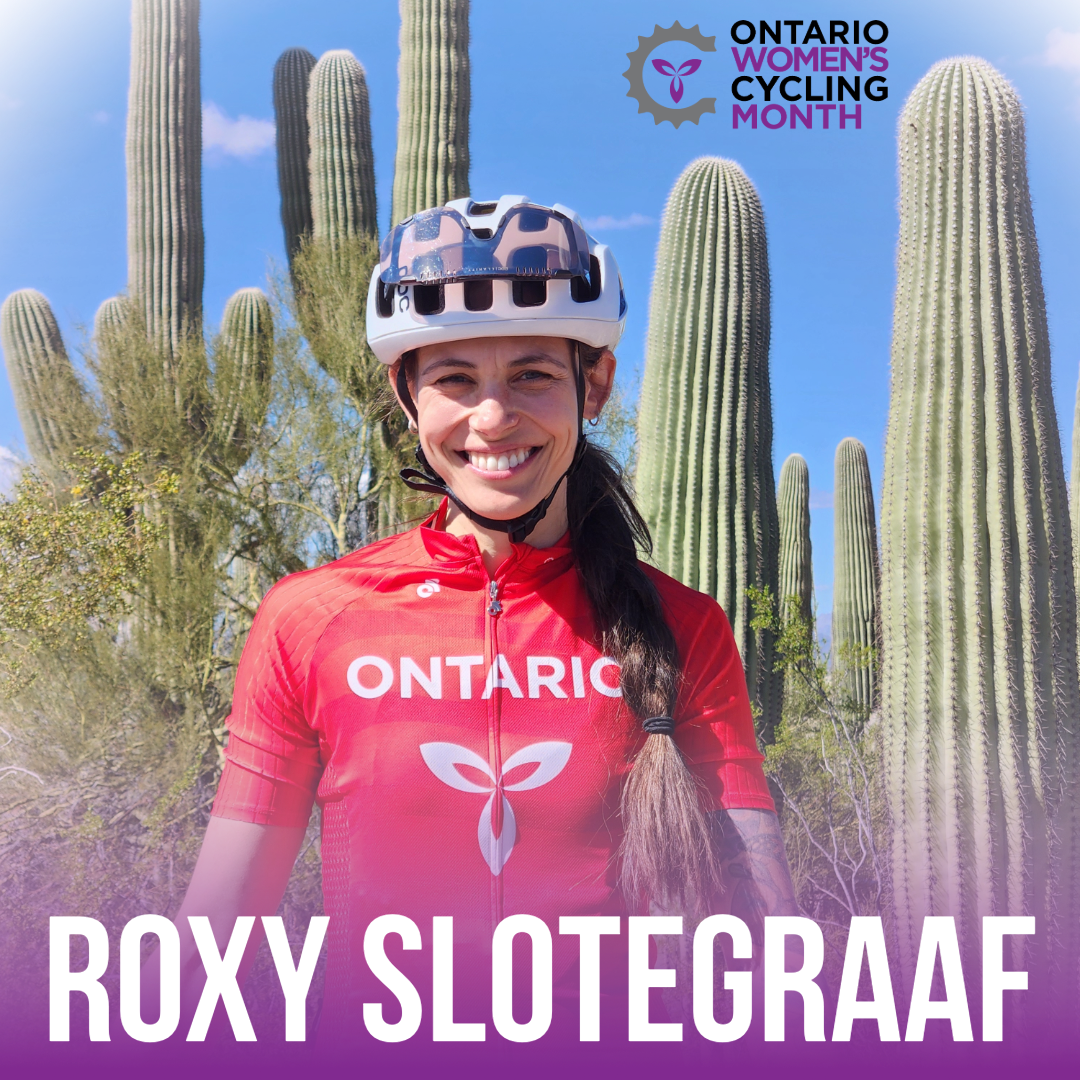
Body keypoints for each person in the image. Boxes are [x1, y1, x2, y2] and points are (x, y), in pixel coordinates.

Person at [162, 196, 798, 1043]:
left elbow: (760, 932)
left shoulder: (687, 627)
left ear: (594, 383)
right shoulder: (311, 617)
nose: (493, 418)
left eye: (533, 373)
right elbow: (220, 920)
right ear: (405, 394)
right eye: (455, 379)